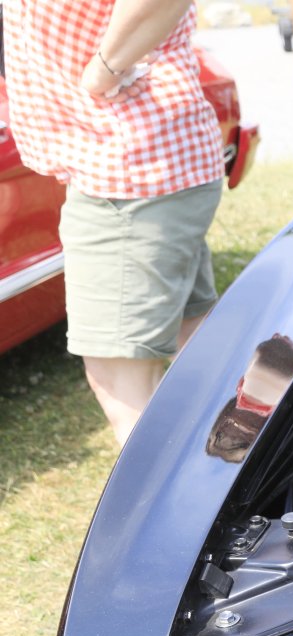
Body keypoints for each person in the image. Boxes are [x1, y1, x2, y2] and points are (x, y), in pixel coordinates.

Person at [2, 0, 225, 446]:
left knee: (120, 376)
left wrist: (103, 69)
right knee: (199, 344)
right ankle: (246, 470)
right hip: (140, 160)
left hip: (122, 167)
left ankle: (169, 491)